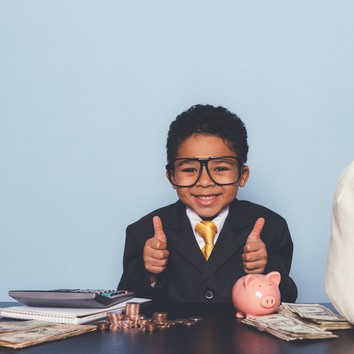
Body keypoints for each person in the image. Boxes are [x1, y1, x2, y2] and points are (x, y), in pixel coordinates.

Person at [117, 104, 297, 303]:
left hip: (243, 334)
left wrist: (265, 268)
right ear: (171, 177)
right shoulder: (142, 232)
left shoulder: (271, 228)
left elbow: (289, 298)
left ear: (242, 175)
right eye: (189, 170)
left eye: (220, 168)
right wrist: (149, 273)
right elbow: (124, 301)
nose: (205, 182)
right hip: (172, 335)